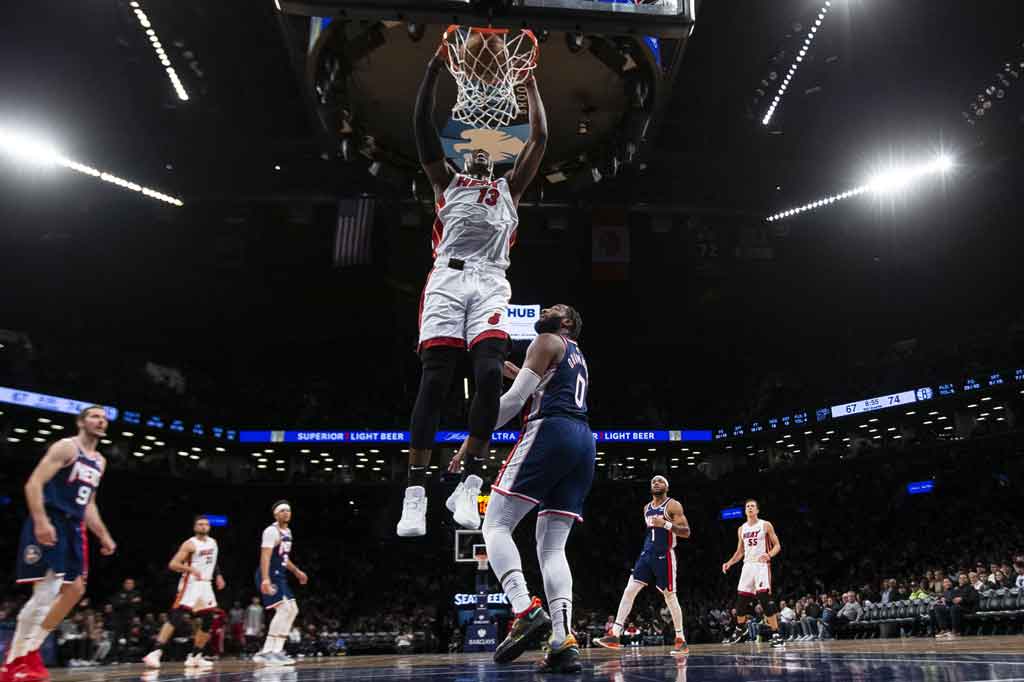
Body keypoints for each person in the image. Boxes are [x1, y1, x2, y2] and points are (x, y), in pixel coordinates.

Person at [398, 35, 548, 537]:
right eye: (473, 152)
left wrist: (528, 84)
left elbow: (540, 139)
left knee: (488, 375)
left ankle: (471, 484)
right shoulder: (446, 183)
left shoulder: (510, 189)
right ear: (462, 160)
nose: (481, 155)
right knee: (435, 379)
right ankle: (415, 494)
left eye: (489, 153)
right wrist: (435, 68)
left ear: (496, 164)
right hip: (448, 276)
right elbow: (422, 125)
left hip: (491, 281)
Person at [457, 305, 593, 674]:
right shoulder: (576, 355)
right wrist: (520, 373)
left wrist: (474, 436)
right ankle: (562, 641)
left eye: (555, 308)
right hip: (583, 443)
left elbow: (515, 401)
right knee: (552, 548)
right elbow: (547, 389)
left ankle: (524, 609)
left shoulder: (546, 340)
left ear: (566, 323)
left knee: (495, 525)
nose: (546, 309)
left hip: (550, 432)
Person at [1, 406, 116, 682]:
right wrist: (41, 521)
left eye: (104, 418)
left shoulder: (99, 461)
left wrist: (103, 534)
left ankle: (28, 651)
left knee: (75, 590)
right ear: (81, 422)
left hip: (74, 526)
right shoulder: (67, 447)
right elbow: (33, 484)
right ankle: (16, 660)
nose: (101, 421)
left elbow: (89, 504)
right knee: (47, 592)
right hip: (52, 518)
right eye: (95, 416)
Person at [595, 476, 691, 655]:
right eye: (653, 481)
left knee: (669, 596)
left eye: (660, 481)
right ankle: (615, 634)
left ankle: (680, 639)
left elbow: (686, 532)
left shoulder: (673, 505)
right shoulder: (646, 508)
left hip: (664, 554)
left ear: (666, 487)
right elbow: (651, 533)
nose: (656, 483)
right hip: (647, 554)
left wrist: (666, 524)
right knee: (629, 590)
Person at [142, 515, 225, 669]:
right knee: (176, 617)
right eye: (200, 524)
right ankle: (154, 652)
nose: (203, 526)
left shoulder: (213, 542)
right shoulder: (189, 544)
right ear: (195, 527)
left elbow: (213, 561)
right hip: (190, 584)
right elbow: (173, 564)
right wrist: (190, 569)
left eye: (206, 524)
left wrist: (218, 575)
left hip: (206, 584)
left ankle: (195, 656)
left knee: (209, 620)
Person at [721, 499, 783, 646]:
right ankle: (741, 629)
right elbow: (740, 551)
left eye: (752, 506)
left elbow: (777, 545)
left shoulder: (765, 525)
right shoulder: (741, 529)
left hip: (761, 565)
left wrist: (769, 555)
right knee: (740, 603)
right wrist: (729, 562)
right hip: (747, 566)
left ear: (757, 510)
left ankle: (776, 634)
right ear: (745, 510)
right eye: (747, 506)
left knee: (764, 599)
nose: (749, 508)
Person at [253, 501, 308, 666]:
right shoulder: (271, 531)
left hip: (280, 575)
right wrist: (265, 579)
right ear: (276, 514)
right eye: (282, 510)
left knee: (293, 610)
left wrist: (296, 571)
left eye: (288, 510)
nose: (286, 513)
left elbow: (284, 557)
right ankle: (266, 652)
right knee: (283, 609)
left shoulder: (288, 532)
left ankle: (277, 651)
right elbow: (265, 556)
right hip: (269, 574)